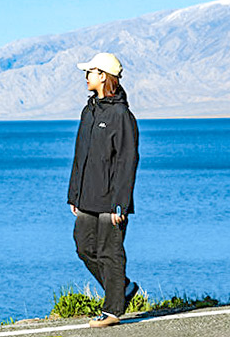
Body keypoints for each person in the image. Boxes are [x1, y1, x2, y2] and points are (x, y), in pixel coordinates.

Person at [67, 52, 140, 328]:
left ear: (103, 76)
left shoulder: (121, 115)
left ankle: (112, 311)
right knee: (84, 247)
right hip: (86, 197)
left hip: (111, 201)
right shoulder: (89, 111)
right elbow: (80, 156)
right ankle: (122, 288)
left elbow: (127, 160)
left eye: (90, 72)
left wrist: (120, 203)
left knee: (110, 251)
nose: (86, 77)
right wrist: (74, 194)